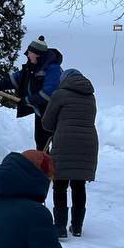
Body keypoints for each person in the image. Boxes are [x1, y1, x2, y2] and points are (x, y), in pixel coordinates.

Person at [41, 68, 99, 238]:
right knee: (79, 185)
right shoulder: (91, 97)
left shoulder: (60, 94)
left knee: (60, 184)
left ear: (64, 80)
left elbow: (47, 123)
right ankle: (77, 227)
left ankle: (59, 227)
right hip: (88, 143)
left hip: (65, 141)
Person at [0, 36, 64, 150]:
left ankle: (55, 166)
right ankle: (43, 166)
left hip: (55, 114)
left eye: (30, 53)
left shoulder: (53, 69)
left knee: (57, 145)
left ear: (38, 54)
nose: (28, 55)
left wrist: (28, 100)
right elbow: (15, 80)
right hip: (41, 112)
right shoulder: (31, 67)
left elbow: (49, 93)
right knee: (40, 143)